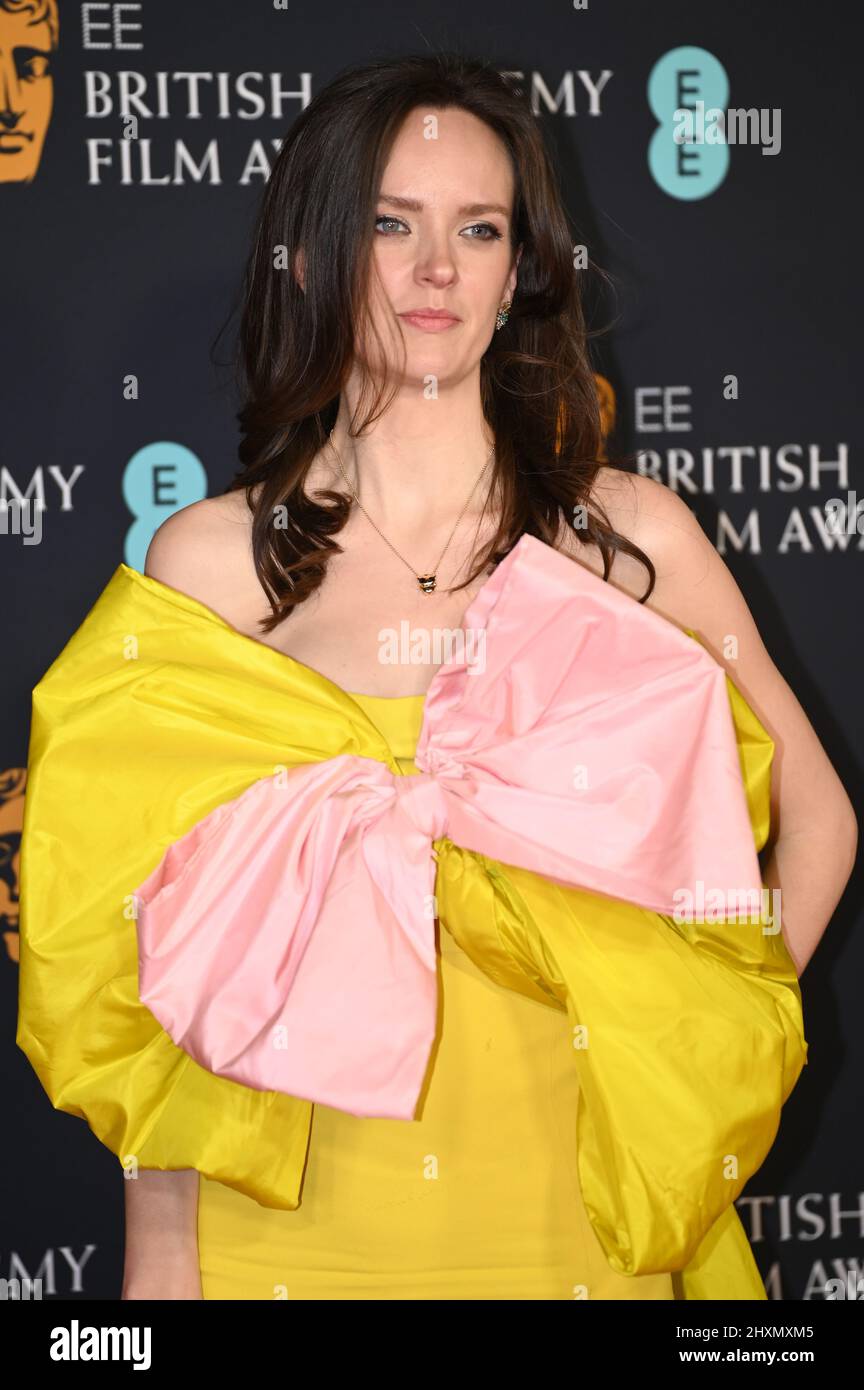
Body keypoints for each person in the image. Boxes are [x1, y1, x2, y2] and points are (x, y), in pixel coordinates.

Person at [17, 52, 855, 1302]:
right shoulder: (214, 564)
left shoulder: (627, 537)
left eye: (478, 228)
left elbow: (821, 815)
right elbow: (146, 976)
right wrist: (160, 1263)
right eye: (389, 225)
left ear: (519, 269)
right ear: (313, 252)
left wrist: (680, 1047)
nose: (434, 272)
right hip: (289, 1239)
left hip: (575, 1231)